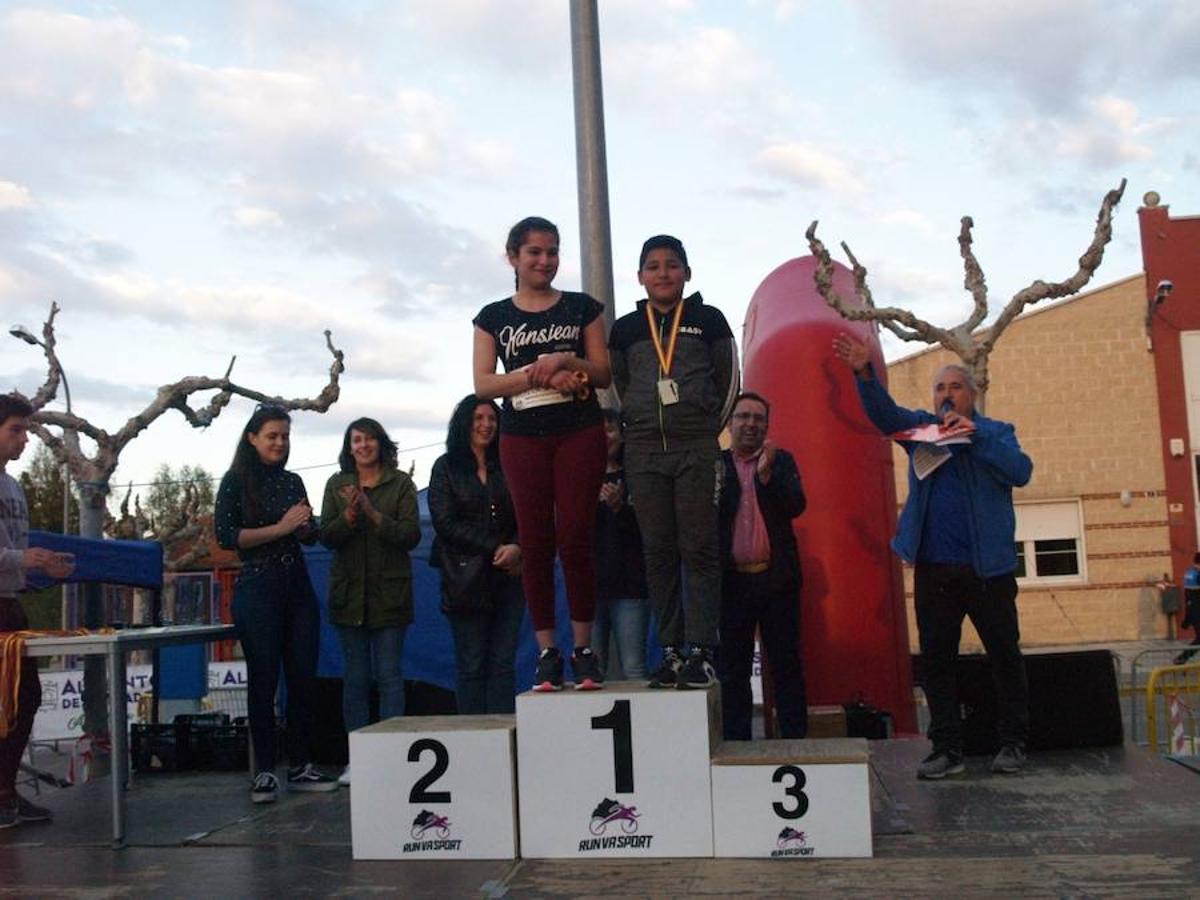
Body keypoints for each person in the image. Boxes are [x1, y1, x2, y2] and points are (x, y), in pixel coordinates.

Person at [834, 334, 1033, 778]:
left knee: (1004, 654)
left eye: (954, 388)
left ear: (972, 395)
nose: (946, 395)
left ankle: (1014, 743)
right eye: (940, 389)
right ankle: (947, 749)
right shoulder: (922, 432)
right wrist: (864, 374)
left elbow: (1022, 472)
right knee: (937, 662)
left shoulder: (996, 433)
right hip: (935, 570)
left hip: (989, 572)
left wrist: (976, 438)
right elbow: (886, 418)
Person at [473, 216, 611, 692]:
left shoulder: (581, 308)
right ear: (513, 256)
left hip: (579, 431)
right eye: (534, 252)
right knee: (534, 540)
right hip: (522, 435)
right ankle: (547, 652)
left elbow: (603, 372)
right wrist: (539, 372)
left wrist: (566, 362)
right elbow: (484, 384)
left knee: (574, 532)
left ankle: (584, 648)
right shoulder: (492, 317)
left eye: (552, 252)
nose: (544, 261)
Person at [608, 235, 739, 689]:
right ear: (640, 276)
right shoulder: (625, 329)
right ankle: (669, 650)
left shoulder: (708, 320)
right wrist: (639, 426)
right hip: (644, 452)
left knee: (700, 550)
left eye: (672, 265)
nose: (663, 273)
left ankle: (701, 650)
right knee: (658, 552)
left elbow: (728, 379)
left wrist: (706, 429)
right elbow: (620, 386)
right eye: (653, 266)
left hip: (696, 448)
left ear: (687, 272)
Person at [215, 404, 338, 803]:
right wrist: (280, 528)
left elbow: (309, 535)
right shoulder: (235, 481)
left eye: (284, 436)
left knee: (303, 677)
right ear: (253, 438)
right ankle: (265, 769)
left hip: (297, 586)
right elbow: (227, 536)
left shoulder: (292, 480)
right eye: (272, 436)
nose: (280, 443)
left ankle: (301, 763)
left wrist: (304, 528)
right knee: (264, 679)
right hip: (258, 586)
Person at [319, 418, 420, 785]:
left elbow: (410, 535)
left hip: (390, 597)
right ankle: (357, 760)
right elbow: (325, 536)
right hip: (350, 598)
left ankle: (391, 757)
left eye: (369, 439)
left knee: (390, 678)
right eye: (356, 440)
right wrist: (348, 516)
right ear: (349, 447)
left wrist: (373, 514)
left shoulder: (401, 483)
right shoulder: (336, 485)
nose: (363, 446)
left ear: (380, 443)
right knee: (356, 680)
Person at [0, 393, 74, 829]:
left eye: (26, 430)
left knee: (24, 698)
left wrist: (44, 564)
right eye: (15, 429)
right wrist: (23, 560)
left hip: (10, 603)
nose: (24, 439)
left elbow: (17, 550)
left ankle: (6, 791)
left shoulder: (12, 486)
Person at [717, 392, 807, 740]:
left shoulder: (781, 460)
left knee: (786, 667)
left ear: (767, 426)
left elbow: (797, 505)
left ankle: (795, 743)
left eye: (758, 418)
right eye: (743, 417)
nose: (750, 424)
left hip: (777, 582)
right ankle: (736, 744)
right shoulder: (716, 464)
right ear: (730, 424)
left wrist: (767, 476)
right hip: (732, 584)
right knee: (733, 671)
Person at [428, 395, 525, 713]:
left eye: (492, 419)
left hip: (508, 580)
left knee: (502, 665)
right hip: (464, 580)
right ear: (464, 423)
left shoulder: (510, 462)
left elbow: (530, 510)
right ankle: (474, 745)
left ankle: (505, 743)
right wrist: (495, 548)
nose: (486, 425)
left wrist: (518, 547)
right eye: (478, 418)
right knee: (471, 665)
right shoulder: (446, 467)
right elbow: (444, 522)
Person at [591, 409, 649, 681]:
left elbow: (651, 532)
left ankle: (643, 724)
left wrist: (621, 510)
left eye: (610, 429)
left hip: (631, 587)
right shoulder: (576, 479)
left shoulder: (638, 476)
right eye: (597, 430)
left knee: (634, 667)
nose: (604, 436)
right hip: (588, 589)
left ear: (622, 435)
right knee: (590, 671)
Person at [1175, 554, 1200, 663]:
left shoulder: (1189, 573)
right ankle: (1182, 658)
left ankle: (1182, 658)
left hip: (1193, 611)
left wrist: (1187, 618)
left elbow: (1188, 596)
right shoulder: (1198, 575)